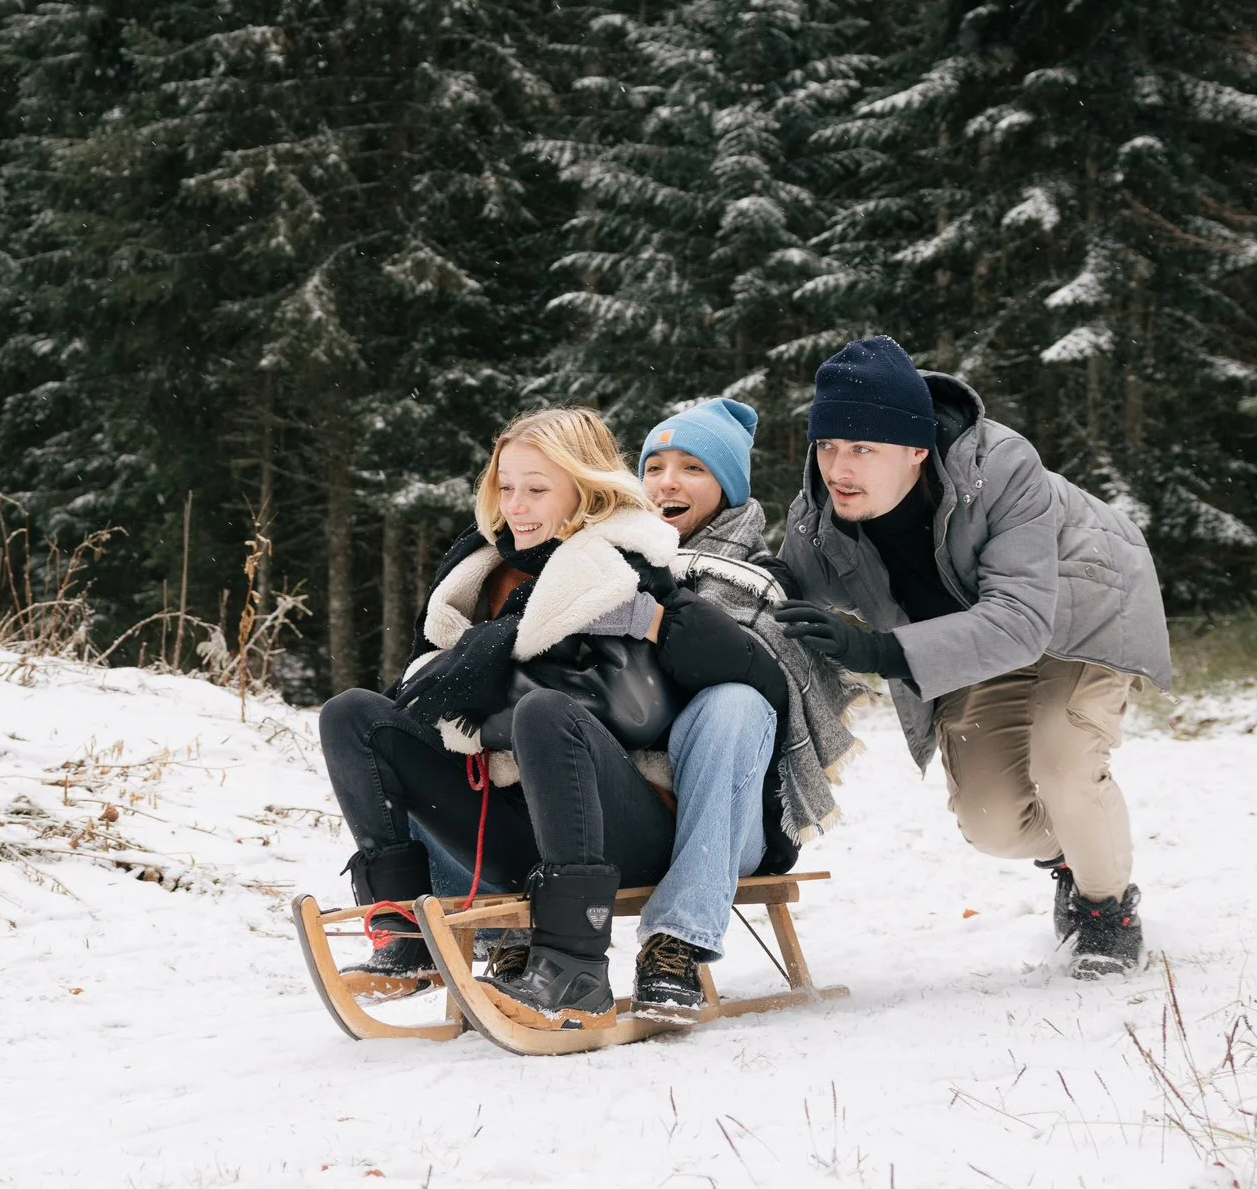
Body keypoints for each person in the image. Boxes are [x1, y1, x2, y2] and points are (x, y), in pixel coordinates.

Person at [316, 407, 794, 1030]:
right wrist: (458, 684)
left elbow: (651, 710)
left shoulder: (622, 568)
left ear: (586, 492)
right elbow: (423, 694)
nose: (516, 504)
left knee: (546, 714)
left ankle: (576, 956)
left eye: (537, 489)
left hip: (617, 820)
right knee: (353, 715)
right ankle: (406, 925)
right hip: (513, 821)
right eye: (506, 486)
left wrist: (632, 622)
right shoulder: (476, 570)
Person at [773, 336, 1171, 977]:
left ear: (915, 450)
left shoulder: (1003, 469)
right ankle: (1082, 845)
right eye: (827, 446)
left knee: (1065, 764)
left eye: (862, 449)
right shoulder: (825, 505)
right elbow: (793, 582)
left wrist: (877, 649)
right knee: (992, 823)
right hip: (975, 634)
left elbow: (1020, 619)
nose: (838, 468)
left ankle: (1107, 909)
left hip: (1079, 613)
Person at [627, 399, 858, 1019]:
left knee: (735, 702)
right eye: (655, 467)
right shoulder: (605, 567)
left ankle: (677, 943)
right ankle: (490, 935)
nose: (667, 482)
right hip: (626, 811)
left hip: (735, 823)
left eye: (693, 468)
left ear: (728, 489)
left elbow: (725, 667)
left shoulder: (762, 580)